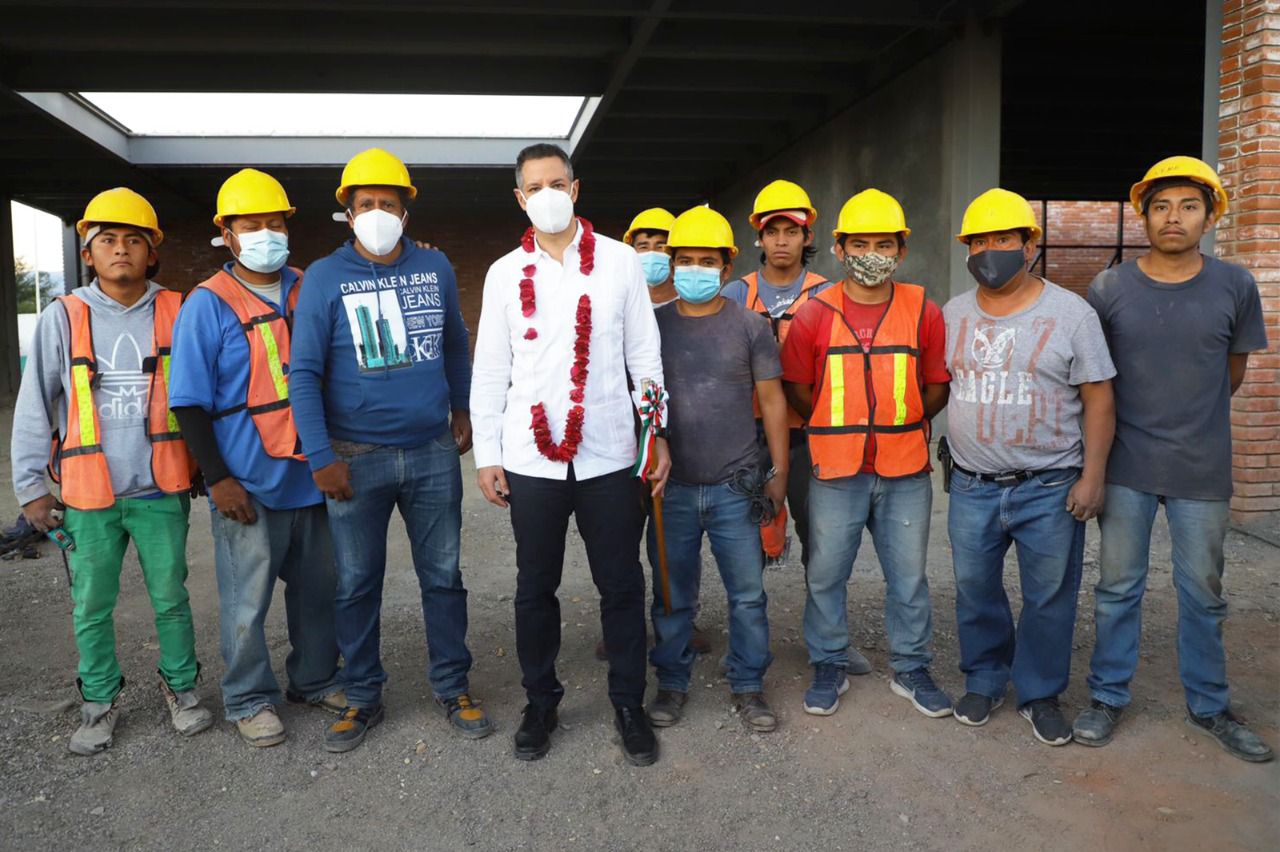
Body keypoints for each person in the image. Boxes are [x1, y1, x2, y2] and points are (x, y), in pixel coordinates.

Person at [471, 143, 669, 765]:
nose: (548, 195)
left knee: (621, 584)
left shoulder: (619, 262)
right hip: (531, 460)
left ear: (576, 189)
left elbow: (645, 356)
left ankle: (629, 704)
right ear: (520, 198)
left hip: (610, 454)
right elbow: (490, 369)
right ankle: (541, 702)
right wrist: (486, 453)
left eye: (558, 183)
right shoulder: (504, 274)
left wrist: (655, 433)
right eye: (535, 187)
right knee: (535, 587)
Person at [289, 148, 490, 753]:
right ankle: (362, 695)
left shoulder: (435, 266)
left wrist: (462, 407)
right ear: (348, 213)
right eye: (366, 203)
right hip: (355, 457)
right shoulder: (324, 277)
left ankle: (452, 686)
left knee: (443, 577)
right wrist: (321, 456)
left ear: (406, 211)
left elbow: (455, 343)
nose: (378, 212)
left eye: (389, 203)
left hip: (431, 451)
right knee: (356, 584)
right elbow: (304, 373)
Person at [1075, 156, 1273, 762]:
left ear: (1210, 218)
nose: (1173, 218)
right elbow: (1094, 380)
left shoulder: (1235, 285)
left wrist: (1192, 422)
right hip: (1127, 465)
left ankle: (1210, 705)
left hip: (1200, 468)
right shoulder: (1110, 289)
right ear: (1143, 216)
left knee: (1203, 592)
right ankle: (1107, 695)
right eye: (1160, 207)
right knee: (1117, 587)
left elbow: (1231, 373)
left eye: (1189, 206)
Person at [10, 188, 213, 755]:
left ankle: (182, 690)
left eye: (133, 240)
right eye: (107, 240)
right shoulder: (63, 316)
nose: (121, 249)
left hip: (160, 489)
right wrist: (30, 486)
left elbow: (207, 394)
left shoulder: (178, 310)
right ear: (88, 253)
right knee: (92, 606)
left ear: (152, 252)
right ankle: (99, 703)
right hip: (88, 495)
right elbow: (35, 402)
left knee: (170, 598)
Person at [169, 169, 342, 749]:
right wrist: (218, 478)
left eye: (275, 223)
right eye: (251, 225)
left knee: (319, 590)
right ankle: (248, 698)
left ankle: (315, 679)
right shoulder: (207, 304)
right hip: (247, 480)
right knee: (247, 600)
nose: (266, 233)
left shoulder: (310, 285)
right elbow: (188, 401)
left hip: (313, 472)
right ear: (227, 234)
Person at [944, 187, 1116, 746]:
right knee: (975, 588)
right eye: (979, 242)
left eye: (1003, 239)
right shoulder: (952, 314)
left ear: (1029, 245)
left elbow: (1099, 398)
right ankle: (985, 678)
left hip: (1049, 485)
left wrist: (1093, 477)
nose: (989, 251)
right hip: (971, 484)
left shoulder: (1072, 315)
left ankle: (1040, 693)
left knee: (1048, 596)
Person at [780, 189, 952, 718]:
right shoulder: (814, 314)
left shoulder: (923, 310)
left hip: (905, 469)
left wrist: (901, 423)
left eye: (883, 244)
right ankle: (829, 661)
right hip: (835, 469)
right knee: (826, 574)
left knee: (909, 578)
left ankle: (911, 667)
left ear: (902, 250)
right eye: (860, 244)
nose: (871, 254)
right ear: (839, 249)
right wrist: (838, 425)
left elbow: (936, 386)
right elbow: (798, 389)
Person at [644, 206, 787, 733]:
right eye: (686, 260)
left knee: (747, 595)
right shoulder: (652, 327)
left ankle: (748, 685)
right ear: (672, 264)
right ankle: (671, 681)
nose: (696, 270)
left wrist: (779, 474)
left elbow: (772, 403)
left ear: (727, 268)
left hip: (736, 487)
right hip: (671, 489)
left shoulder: (750, 326)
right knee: (671, 595)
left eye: (708, 261)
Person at [722, 181, 838, 574]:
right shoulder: (737, 294)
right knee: (747, 530)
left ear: (808, 236)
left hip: (809, 434)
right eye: (772, 232)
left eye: (791, 231)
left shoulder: (827, 295)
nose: (782, 241)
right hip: (748, 435)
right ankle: (749, 609)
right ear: (760, 237)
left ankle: (821, 611)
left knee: (819, 533)